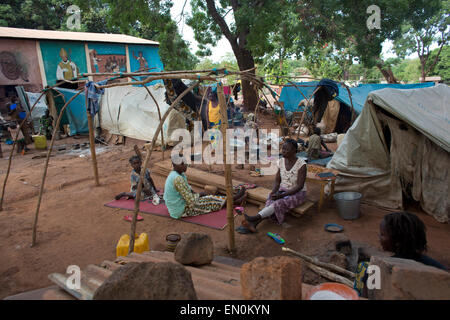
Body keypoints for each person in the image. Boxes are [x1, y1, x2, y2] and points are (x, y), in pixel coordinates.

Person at [241, 139, 307, 232]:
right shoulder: (281, 162)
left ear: (294, 151)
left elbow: (300, 186)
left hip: (298, 193)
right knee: (271, 199)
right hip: (283, 190)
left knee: (278, 203)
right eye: (283, 148)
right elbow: (277, 180)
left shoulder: (301, 165)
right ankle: (254, 223)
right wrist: (274, 191)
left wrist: (281, 195)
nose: (283, 151)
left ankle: (255, 218)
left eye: (286, 149)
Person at [164, 157, 247, 219]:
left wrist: (198, 194)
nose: (185, 165)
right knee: (210, 200)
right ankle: (235, 200)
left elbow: (188, 190)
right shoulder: (178, 178)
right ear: (174, 165)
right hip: (180, 210)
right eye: (182, 164)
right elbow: (191, 200)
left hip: (177, 206)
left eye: (185, 163)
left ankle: (235, 200)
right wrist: (200, 194)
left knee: (208, 198)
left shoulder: (178, 175)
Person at [379, 211, 447, 271]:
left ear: (398, 242)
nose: (379, 236)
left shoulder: (389, 265)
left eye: (382, 234)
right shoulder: (431, 263)